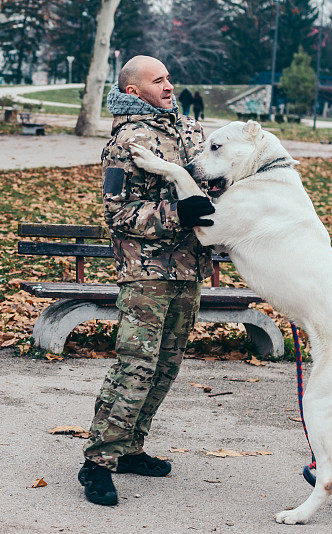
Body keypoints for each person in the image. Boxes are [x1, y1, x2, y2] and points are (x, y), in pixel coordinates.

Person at [77, 55, 215, 506]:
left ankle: (130, 447)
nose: (169, 86)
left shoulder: (190, 130)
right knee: (135, 367)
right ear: (134, 90)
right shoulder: (125, 142)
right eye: (158, 80)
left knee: (166, 366)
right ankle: (98, 461)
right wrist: (179, 214)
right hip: (146, 274)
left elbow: (213, 179)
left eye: (169, 78)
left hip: (188, 269)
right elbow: (116, 214)